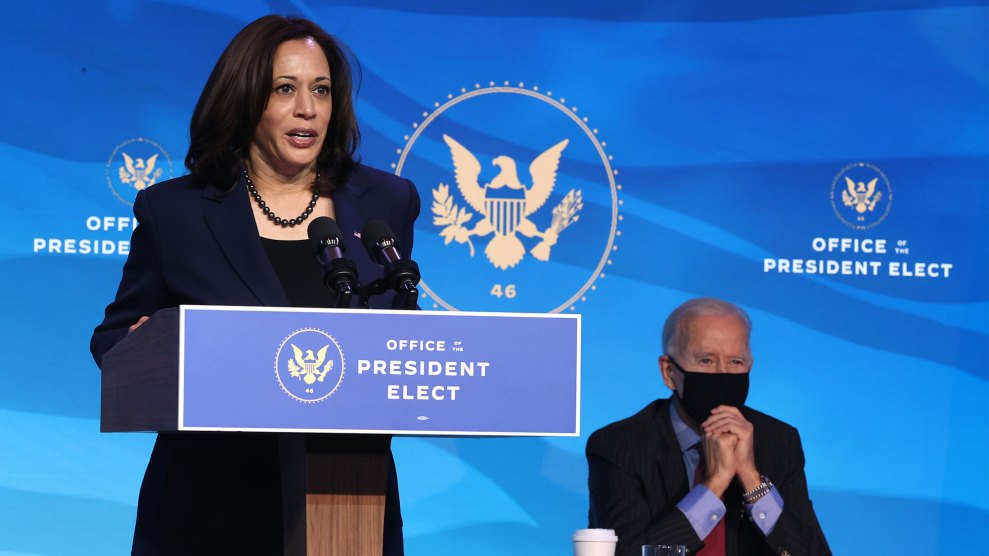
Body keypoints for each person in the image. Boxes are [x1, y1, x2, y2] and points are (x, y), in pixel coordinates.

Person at [90, 15, 419, 555]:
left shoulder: (386, 202)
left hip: (349, 503)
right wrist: (143, 349)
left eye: (321, 90)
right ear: (245, 100)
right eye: (285, 89)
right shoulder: (174, 214)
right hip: (209, 507)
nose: (307, 109)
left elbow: (403, 338)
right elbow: (114, 337)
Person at [586, 298, 830, 556]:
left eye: (735, 362)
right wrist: (713, 485)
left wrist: (751, 480)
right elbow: (626, 553)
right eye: (706, 360)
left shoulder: (779, 441)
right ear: (669, 372)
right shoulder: (620, 446)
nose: (722, 374)